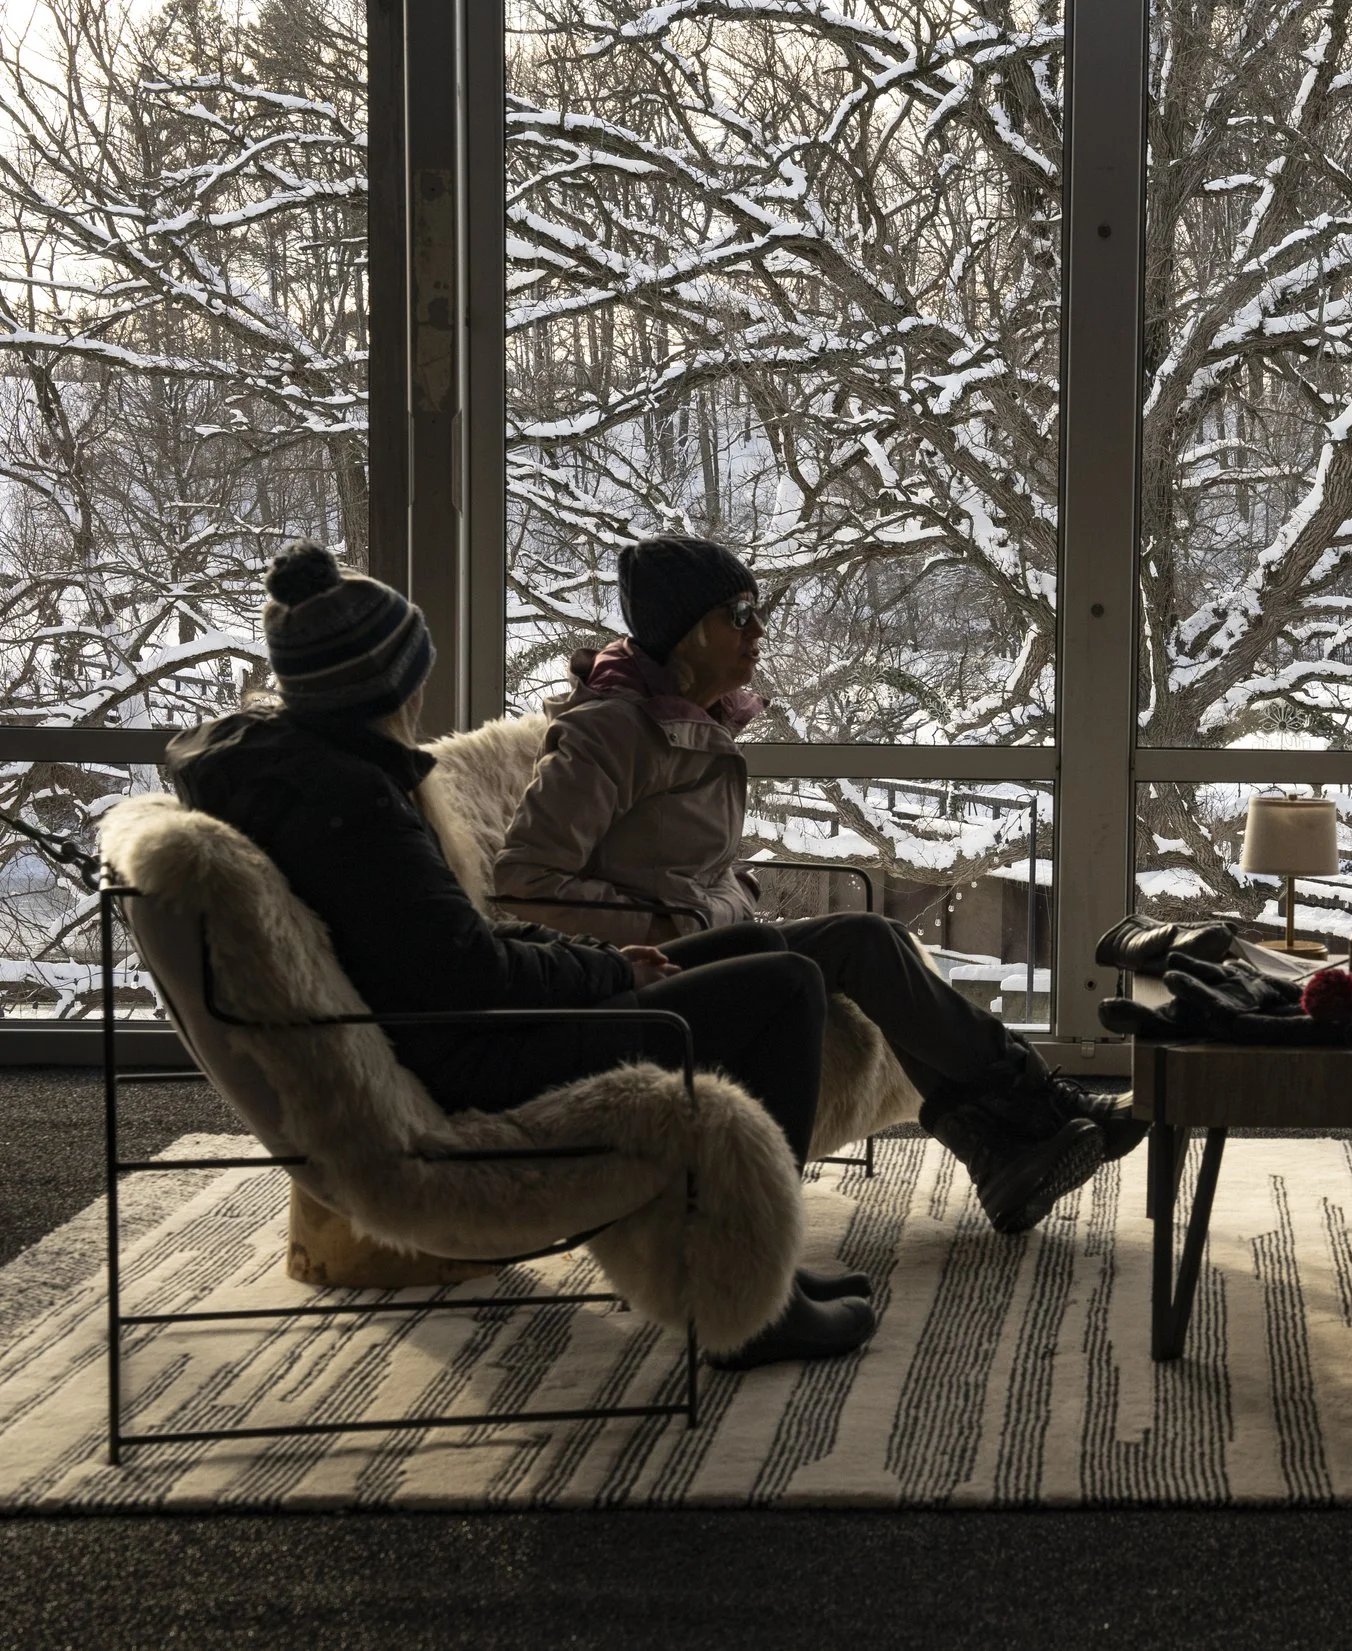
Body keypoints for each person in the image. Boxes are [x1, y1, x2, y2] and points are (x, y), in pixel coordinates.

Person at [168, 545, 874, 1369]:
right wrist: (611, 970)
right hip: (478, 1060)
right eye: (414, 670)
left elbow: (461, 935)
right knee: (785, 983)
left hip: (472, 1026)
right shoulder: (356, 813)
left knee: (755, 944)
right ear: (386, 683)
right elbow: (469, 968)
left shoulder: (327, 781)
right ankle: (753, 1301)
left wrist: (600, 956)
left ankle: (753, 1260)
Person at [493, 538, 1138, 1236]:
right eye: (736, 613)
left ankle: (1002, 1143)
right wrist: (653, 928)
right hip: (648, 974)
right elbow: (525, 884)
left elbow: (679, 867)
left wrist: (715, 898)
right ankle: (1030, 1111)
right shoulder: (609, 732)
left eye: (756, 608)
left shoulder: (695, 719)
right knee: (863, 938)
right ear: (683, 630)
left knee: (877, 939)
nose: (757, 628)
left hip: (710, 943)